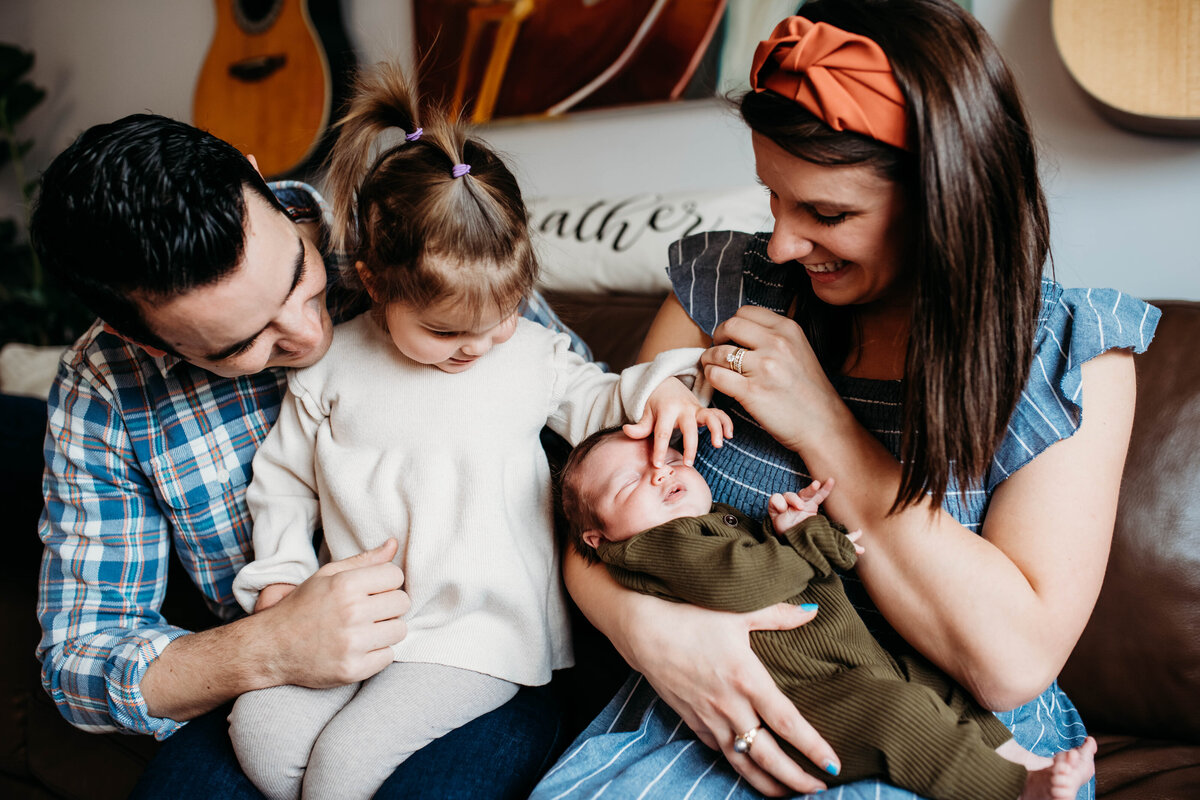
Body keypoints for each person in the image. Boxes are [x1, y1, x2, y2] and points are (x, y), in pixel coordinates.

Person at [532, 1, 1160, 798]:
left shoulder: (1071, 357)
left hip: (949, 741)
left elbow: (1009, 666)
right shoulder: (724, 287)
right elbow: (591, 508)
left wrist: (824, 422)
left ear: (946, 200)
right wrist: (650, 632)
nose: (785, 244)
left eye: (828, 213)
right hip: (704, 707)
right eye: (773, 198)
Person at [28, 111, 599, 798]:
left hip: (481, 641)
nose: (306, 335)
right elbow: (80, 658)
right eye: (243, 345)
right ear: (151, 343)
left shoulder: (420, 224)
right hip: (285, 663)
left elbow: (585, 422)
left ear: (255, 172)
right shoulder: (105, 385)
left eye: (300, 275)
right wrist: (271, 644)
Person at [222, 63, 732, 800]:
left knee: (341, 769)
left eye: (500, 319)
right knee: (264, 739)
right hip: (356, 623)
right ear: (373, 281)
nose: (479, 345)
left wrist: (666, 390)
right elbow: (281, 482)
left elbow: (602, 398)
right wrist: (279, 579)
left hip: (478, 635)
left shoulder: (527, 353)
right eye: (446, 331)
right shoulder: (330, 367)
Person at [558, 427, 1098, 800]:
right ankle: (1010, 789)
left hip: (855, 663)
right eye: (629, 482)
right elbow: (741, 579)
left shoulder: (714, 520)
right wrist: (807, 546)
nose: (659, 474)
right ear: (595, 537)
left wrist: (797, 531)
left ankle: (1020, 760)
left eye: (672, 459)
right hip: (802, 695)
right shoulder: (654, 546)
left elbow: (791, 564)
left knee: (937, 688)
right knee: (901, 717)